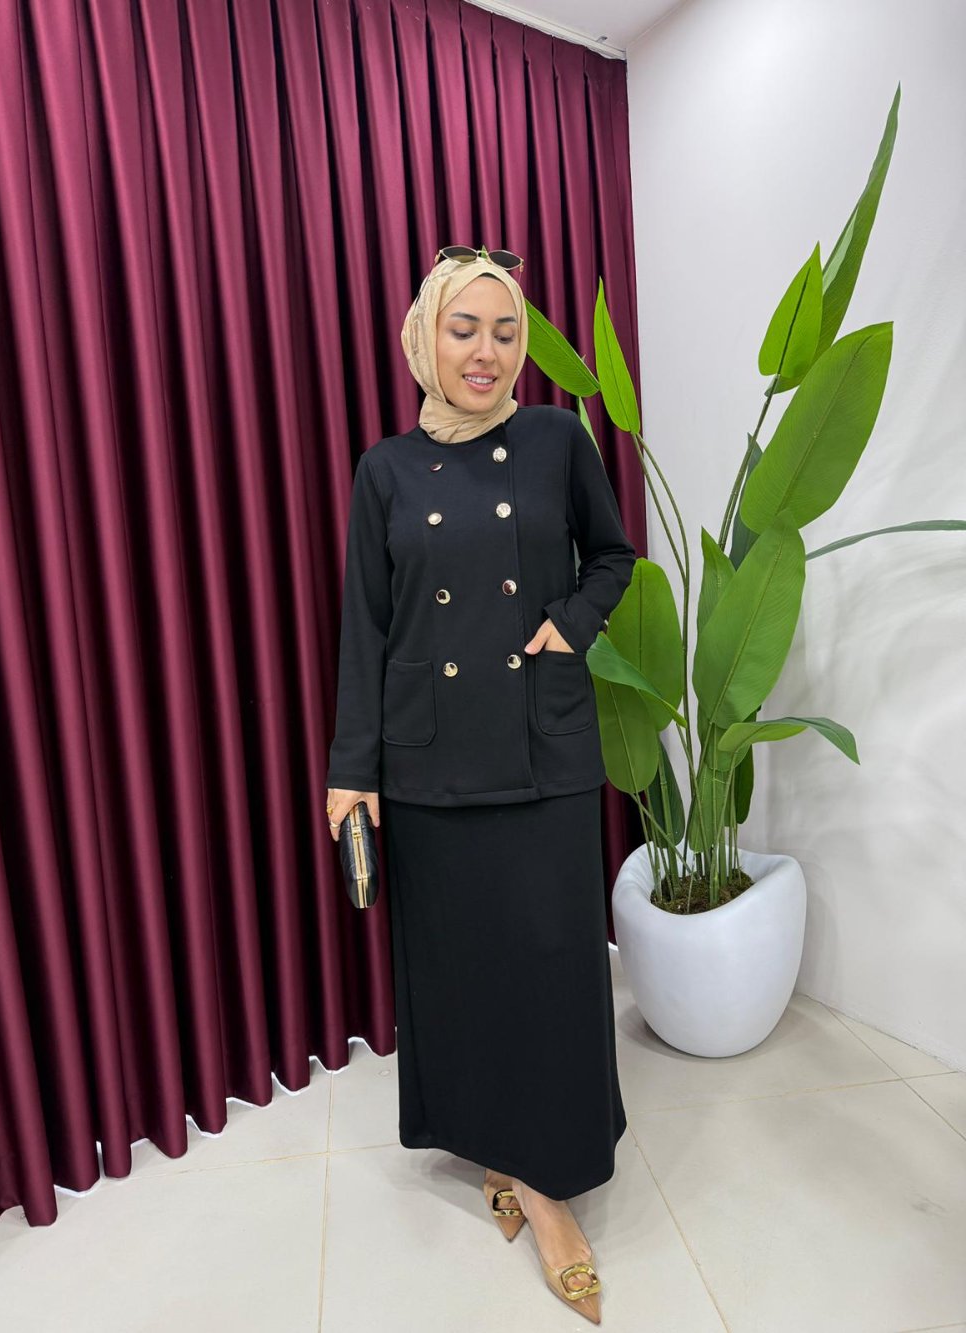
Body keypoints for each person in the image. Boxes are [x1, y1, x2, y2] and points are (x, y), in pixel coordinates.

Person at [325, 245, 637, 1324]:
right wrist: (351, 772)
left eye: (506, 332)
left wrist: (570, 625)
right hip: (429, 759)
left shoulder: (556, 440)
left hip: (542, 747)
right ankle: (498, 1149)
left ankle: (551, 1187)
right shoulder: (385, 470)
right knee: (463, 971)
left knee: (552, 966)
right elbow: (366, 629)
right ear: (425, 337)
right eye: (465, 329)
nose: (487, 352)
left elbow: (612, 556)